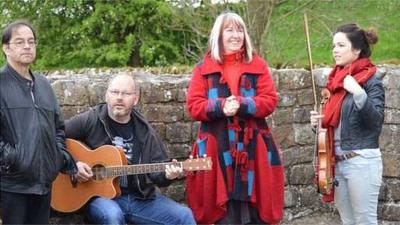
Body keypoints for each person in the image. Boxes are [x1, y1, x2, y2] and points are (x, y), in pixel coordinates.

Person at [186, 12, 284, 225]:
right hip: (217, 144)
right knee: (221, 211)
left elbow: (269, 101)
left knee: (256, 209)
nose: (235, 35)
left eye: (239, 30)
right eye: (229, 30)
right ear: (218, 35)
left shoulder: (257, 65)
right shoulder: (204, 68)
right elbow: (194, 106)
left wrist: (242, 104)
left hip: (252, 147)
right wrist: (221, 106)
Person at [65, 73, 196, 225]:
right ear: (107, 95)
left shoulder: (146, 132)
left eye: (126, 93)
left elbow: (158, 173)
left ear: (135, 99)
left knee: (184, 216)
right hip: (100, 198)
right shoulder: (91, 119)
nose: (119, 97)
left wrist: (169, 175)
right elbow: (53, 137)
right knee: (113, 216)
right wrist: (73, 165)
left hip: (139, 198)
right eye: (115, 92)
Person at [0, 20, 77, 224]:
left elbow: (58, 128)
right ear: (6, 48)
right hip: (12, 184)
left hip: (44, 182)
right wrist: (13, 158)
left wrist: (57, 155)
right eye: (19, 42)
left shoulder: (43, 85)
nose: (27, 46)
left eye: (31, 41)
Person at [310, 24, 384, 225]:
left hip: (362, 161)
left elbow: (375, 122)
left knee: (365, 221)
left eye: (341, 45)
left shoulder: (371, 81)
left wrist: (359, 94)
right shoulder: (335, 82)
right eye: (334, 45)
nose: (335, 50)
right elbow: (334, 125)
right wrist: (318, 124)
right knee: (347, 220)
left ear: (357, 50)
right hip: (336, 162)